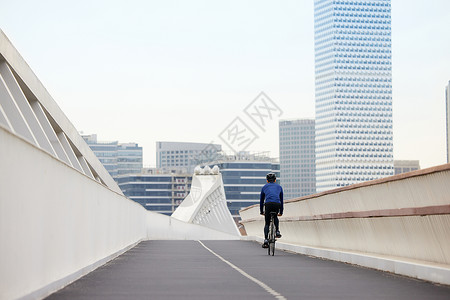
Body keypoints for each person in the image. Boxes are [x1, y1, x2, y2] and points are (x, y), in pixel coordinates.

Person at [260, 172, 283, 248]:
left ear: (267, 180)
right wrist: (281, 211)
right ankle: (277, 231)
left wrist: (261, 211)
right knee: (275, 216)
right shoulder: (279, 187)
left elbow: (261, 200)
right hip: (277, 204)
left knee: (267, 223)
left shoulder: (264, 187)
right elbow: (281, 200)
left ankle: (266, 240)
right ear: (275, 180)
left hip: (268, 204)